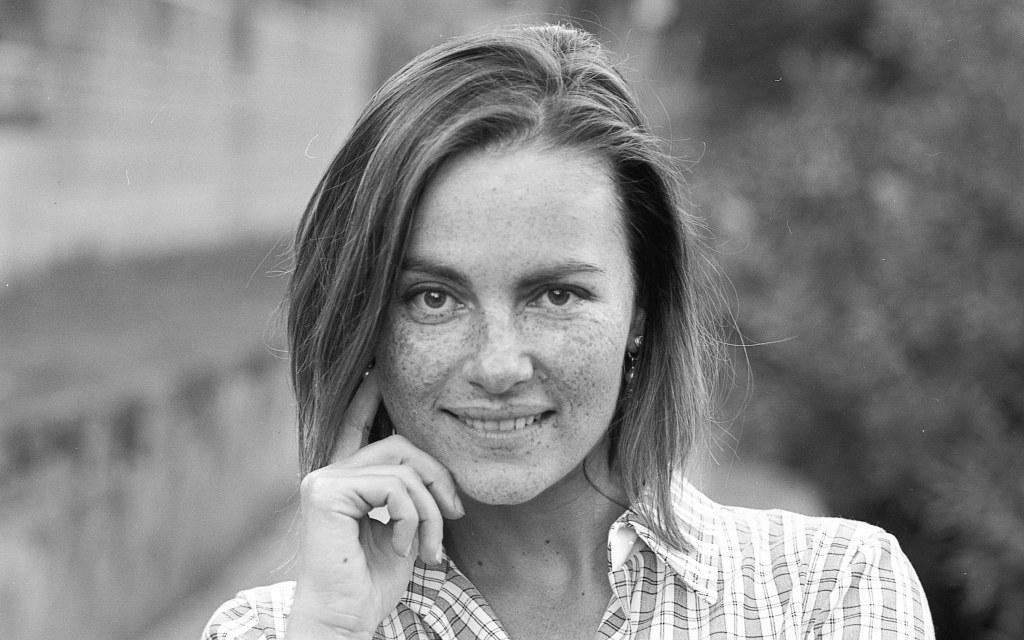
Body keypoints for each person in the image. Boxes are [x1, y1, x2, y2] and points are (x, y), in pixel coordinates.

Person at [204, 24, 934, 640]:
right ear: (365, 321)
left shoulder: (829, 592)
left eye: (556, 294)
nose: (498, 365)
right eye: (432, 298)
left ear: (641, 310)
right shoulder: (271, 631)